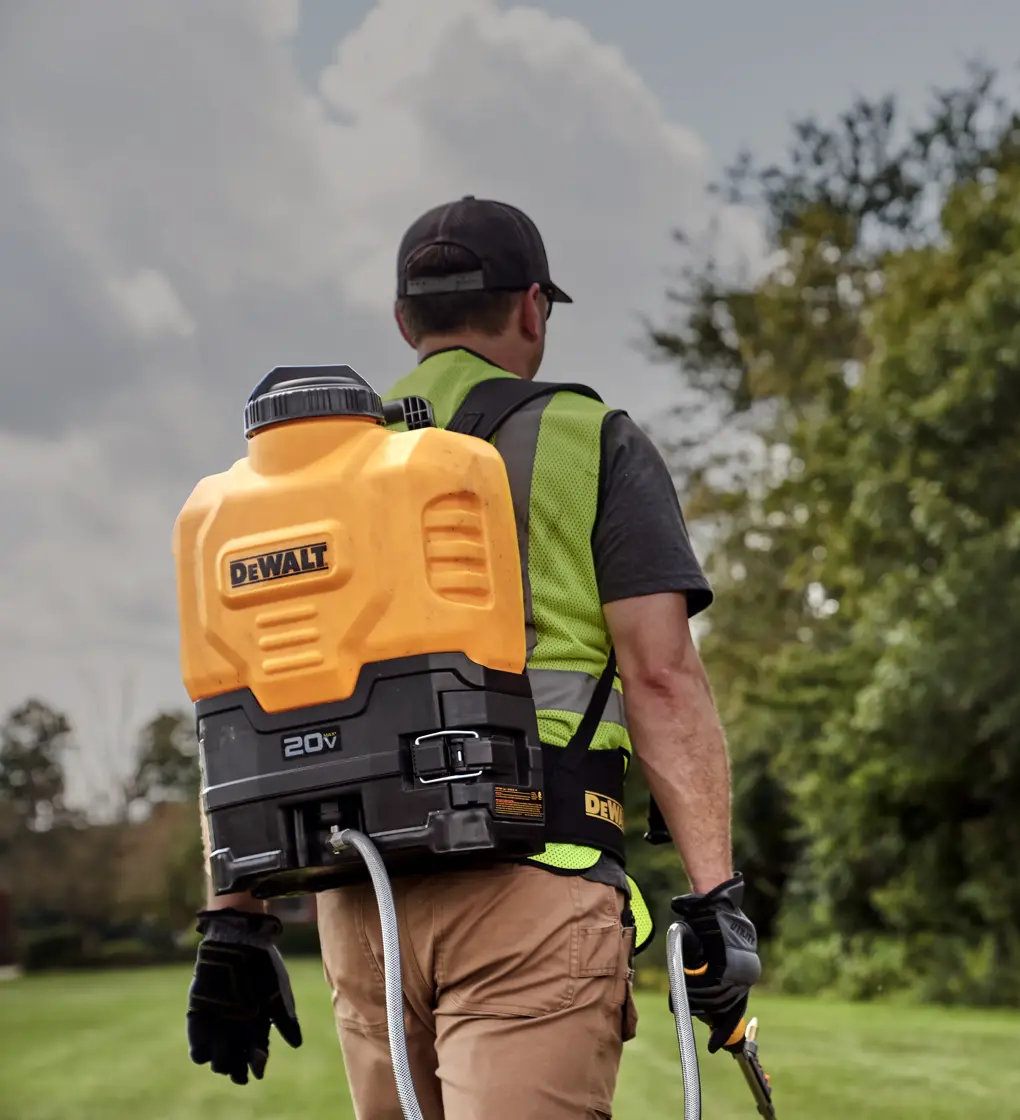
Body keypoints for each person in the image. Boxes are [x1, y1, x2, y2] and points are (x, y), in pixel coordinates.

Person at [184, 195, 762, 1119]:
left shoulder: (310, 465)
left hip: (361, 904)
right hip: (533, 885)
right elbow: (661, 673)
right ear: (532, 307)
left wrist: (237, 917)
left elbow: (251, 696)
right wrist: (715, 898)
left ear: (406, 320)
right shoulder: (591, 441)